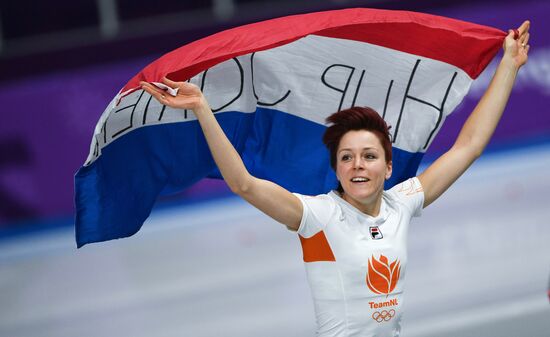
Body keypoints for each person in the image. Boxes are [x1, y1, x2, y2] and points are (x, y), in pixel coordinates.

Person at [141, 21, 530, 337]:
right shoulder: (319, 217)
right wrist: (202, 109)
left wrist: (508, 66)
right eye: (347, 157)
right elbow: (244, 183)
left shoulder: (401, 203)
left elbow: (468, 146)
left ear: (388, 168)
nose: (358, 165)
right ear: (337, 168)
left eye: (369, 156)